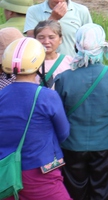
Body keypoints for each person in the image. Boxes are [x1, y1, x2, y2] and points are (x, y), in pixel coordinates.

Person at [55, 23, 108, 200]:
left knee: (74, 189)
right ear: (102, 46)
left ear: (76, 46)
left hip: (71, 144)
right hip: (104, 143)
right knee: (102, 189)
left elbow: (60, 111)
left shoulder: (63, 78)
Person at [0, 38, 71, 200]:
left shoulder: (1, 95)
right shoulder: (47, 96)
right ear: (39, 65)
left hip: (5, 173)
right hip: (40, 171)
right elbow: (64, 133)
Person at [24, 0, 92, 57]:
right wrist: (53, 19)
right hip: (44, 64)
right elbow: (31, 41)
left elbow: (89, 40)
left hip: (73, 65)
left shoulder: (81, 10)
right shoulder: (33, 11)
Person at [34, 20, 74, 87]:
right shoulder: (29, 63)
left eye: (51, 37)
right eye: (41, 38)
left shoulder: (69, 61)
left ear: (60, 39)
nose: (46, 42)